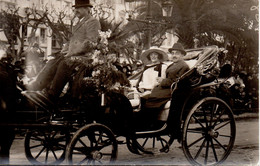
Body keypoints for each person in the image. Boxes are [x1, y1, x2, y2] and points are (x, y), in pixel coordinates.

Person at [23, 0, 101, 108]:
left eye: (79, 8)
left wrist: (71, 52)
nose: (76, 10)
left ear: (87, 9)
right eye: (75, 8)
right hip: (73, 55)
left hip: (85, 57)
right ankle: (36, 86)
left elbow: (91, 42)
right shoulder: (78, 23)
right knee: (53, 61)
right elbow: (72, 41)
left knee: (64, 64)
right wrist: (64, 49)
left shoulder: (93, 22)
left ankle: (52, 95)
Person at [140, 43, 190, 141]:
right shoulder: (172, 65)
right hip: (165, 88)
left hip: (174, 90)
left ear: (182, 55)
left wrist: (162, 81)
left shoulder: (183, 66)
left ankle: (151, 124)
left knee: (151, 98)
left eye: (177, 53)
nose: (174, 55)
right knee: (144, 98)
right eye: (173, 53)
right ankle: (147, 123)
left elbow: (178, 81)